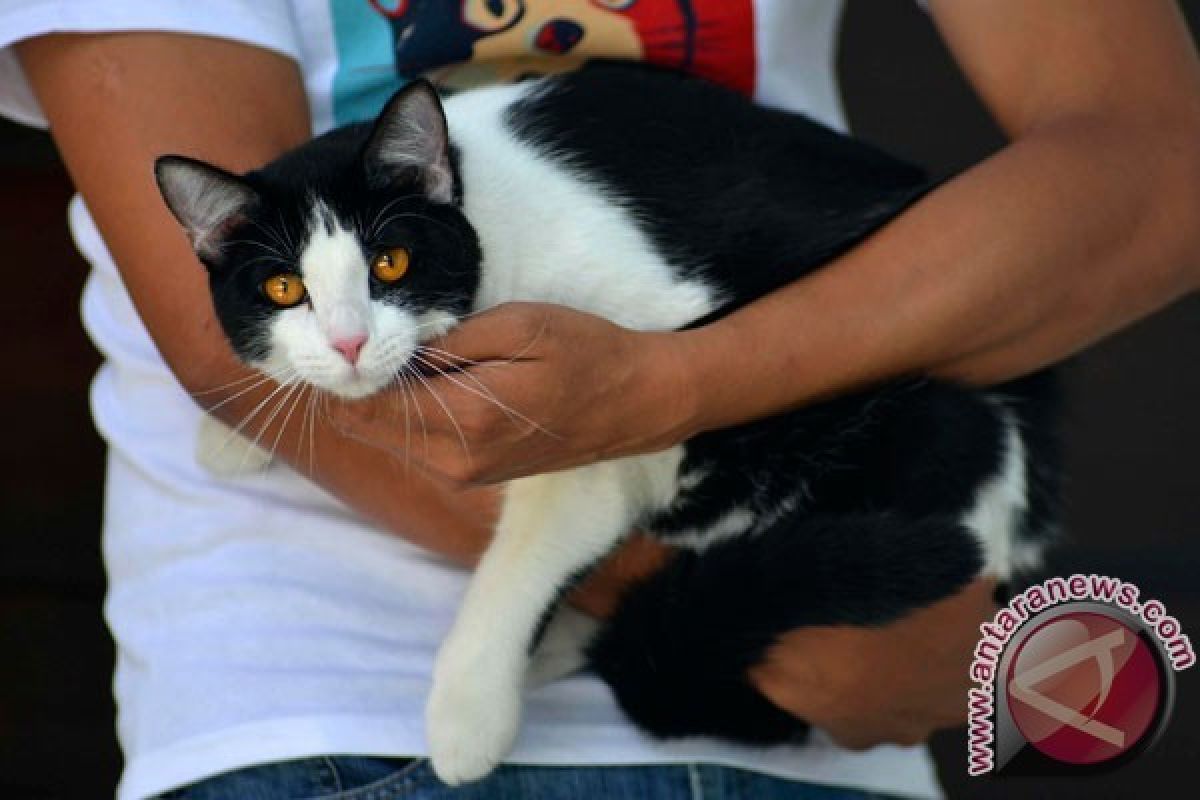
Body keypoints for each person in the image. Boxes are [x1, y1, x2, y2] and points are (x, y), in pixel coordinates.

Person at [2, 1, 1198, 798]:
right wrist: (749, 613)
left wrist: (674, 390)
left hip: (835, 717)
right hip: (346, 710)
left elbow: (1158, 162)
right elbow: (227, 338)